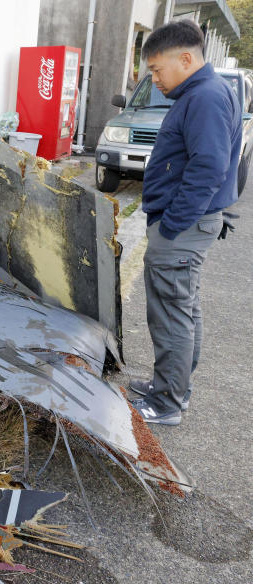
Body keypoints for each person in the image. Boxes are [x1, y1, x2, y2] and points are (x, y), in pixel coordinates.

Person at [131, 20, 241, 425]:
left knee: (171, 313)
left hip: (182, 227)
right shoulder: (201, 94)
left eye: (157, 69)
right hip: (190, 223)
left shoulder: (207, 97)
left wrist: (172, 224)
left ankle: (166, 404)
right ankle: (173, 388)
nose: (155, 79)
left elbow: (209, 167)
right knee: (184, 308)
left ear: (185, 58)